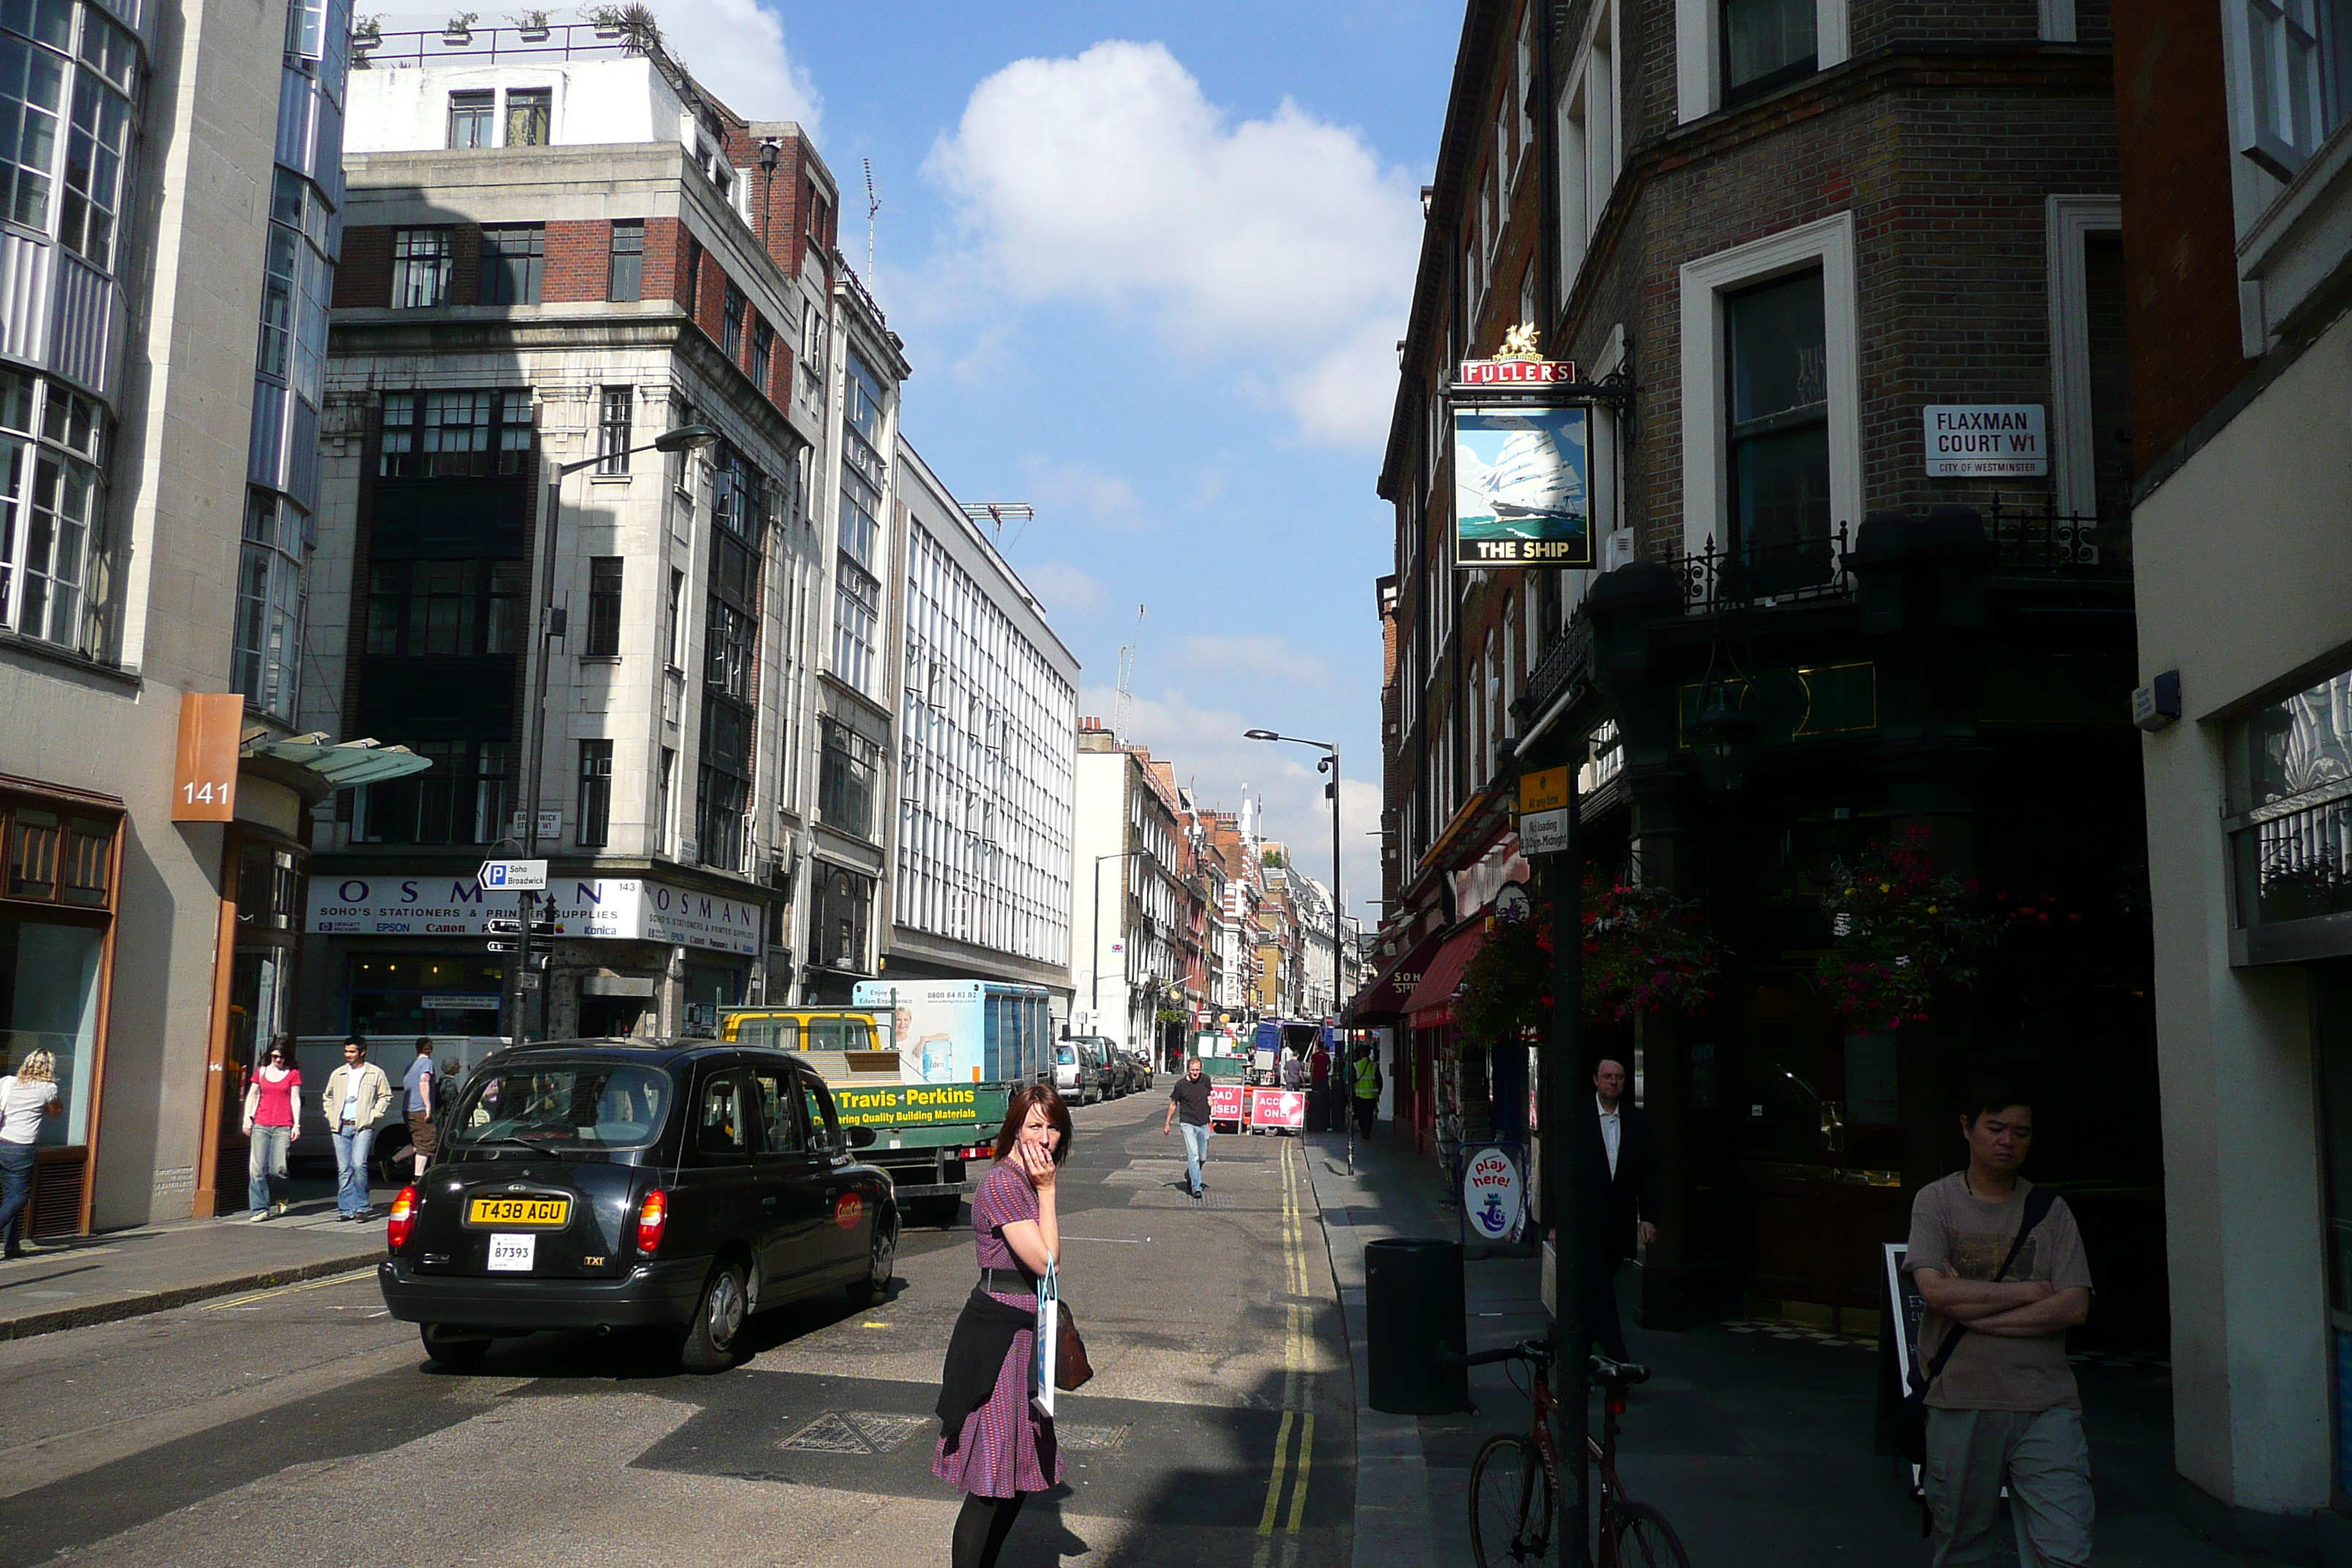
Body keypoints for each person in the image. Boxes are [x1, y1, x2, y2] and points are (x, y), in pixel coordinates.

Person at [1904, 1082, 2093, 1568]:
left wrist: (1974, 1308)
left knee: (2065, 1547)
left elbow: (2073, 1306)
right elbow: (1936, 1291)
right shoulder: (1936, 1202)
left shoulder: (2051, 1211)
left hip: (2046, 1402)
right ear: (1968, 1129)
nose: (2008, 1141)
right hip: (1961, 1399)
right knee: (1961, 1546)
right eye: (1996, 1128)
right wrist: (2032, 1292)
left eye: (2021, 1132)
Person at [934, 1082, 1071, 1568]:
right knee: (990, 1485)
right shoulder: (1004, 1184)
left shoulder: (1025, 1183)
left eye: (1053, 1126)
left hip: (1026, 1335)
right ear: (1015, 1129)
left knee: (1018, 1475)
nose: (1045, 1137)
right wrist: (1050, 1192)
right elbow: (1046, 1261)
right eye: (1034, 1125)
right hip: (1000, 1342)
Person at [1572, 1054, 1659, 1360]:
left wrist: (1647, 1218)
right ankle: (1615, 1351)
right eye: (1608, 1076)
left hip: (1619, 1221)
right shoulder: (1578, 1116)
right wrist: (1556, 1221)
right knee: (1599, 1283)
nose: (1613, 1082)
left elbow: (1647, 1173)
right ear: (1596, 1080)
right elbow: (1562, 1172)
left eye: (1619, 1077)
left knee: (1599, 1284)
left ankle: (1580, 1348)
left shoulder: (1636, 1121)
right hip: (1584, 1220)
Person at [320, 1036, 392, 1221]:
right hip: (341, 1126)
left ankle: (362, 1207)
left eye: (352, 1052)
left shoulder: (375, 1073)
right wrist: (331, 1114)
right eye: (346, 1051)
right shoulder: (338, 1074)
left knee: (359, 1165)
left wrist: (374, 1114)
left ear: (362, 1052)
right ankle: (345, 1209)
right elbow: (327, 1096)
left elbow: (385, 1096)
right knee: (344, 1169)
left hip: (363, 1126)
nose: (348, 1055)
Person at [0, 1049, 62, 1258]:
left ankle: (12, 1246)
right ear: (50, 1067)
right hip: (22, 1147)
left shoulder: (8, 1082)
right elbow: (56, 1113)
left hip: (2, 1143)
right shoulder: (48, 1089)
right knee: (19, 1195)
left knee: (10, 1196)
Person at [241, 1039, 301, 1220]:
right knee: (257, 1169)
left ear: (286, 1057)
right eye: (274, 1056)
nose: (277, 1060)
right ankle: (260, 1209)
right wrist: (247, 1119)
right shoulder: (261, 1072)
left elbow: (295, 1099)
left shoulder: (293, 1074)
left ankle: (282, 1196)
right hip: (261, 1123)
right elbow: (252, 1095)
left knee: (279, 1169)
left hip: (283, 1125)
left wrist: (296, 1124)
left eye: (281, 1057)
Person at [1163, 1055, 1213, 1199]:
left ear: (1201, 1069)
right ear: (1188, 1070)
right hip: (1188, 1123)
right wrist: (1167, 1123)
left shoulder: (1206, 1080)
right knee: (1194, 1155)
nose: (1195, 1073)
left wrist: (1212, 1102)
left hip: (1203, 1123)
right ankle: (1196, 1187)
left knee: (1203, 1157)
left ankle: (1189, 1174)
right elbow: (1173, 1104)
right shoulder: (1181, 1085)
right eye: (1193, 1070)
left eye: (1197, 1070)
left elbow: (1209, 1096)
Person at [401, 1038, 438, 1179]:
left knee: (417, 1142)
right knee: (427, 1144)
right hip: (420, 1110)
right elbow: (424, 1081)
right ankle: (418, 1179)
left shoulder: (411, 1065)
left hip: (408, 1109)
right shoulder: (427, 1063)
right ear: (430, 1049)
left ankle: (390, 1163)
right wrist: (428, 1107)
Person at [1350, 1047, 1382, 1137]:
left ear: (1361, 1054)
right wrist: (1379, 1091)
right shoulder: (1374, 1065)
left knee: (1361, 1113)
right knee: (1369, 1114)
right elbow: (1379, 1080)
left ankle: (1362, 1129)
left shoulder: (1356, 1065)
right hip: (1372, 1094)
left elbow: (1353, 1079)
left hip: (1360, 1094)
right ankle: (1367, 1131)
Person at [1308, 1039, 1333, 1131]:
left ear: (1317, 1047)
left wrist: (1311, 1078)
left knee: (1315, 1096)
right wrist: (1325, 1072)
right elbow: (1329, 1067)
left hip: (1316, 1078)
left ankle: (1316, 1112)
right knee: (1324, 1097)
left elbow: (1313, 1067)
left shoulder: (1314, 1056)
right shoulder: (1327, 1056)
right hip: (1324, 1078)